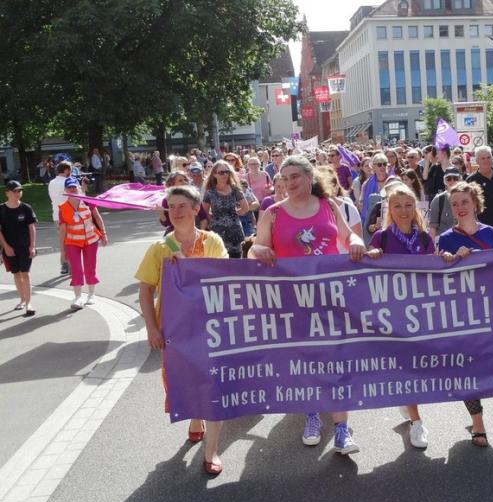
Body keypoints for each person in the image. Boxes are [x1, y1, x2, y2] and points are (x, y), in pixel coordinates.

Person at [249, 155, 365, 455]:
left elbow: (347, 233)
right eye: (284, 178)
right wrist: (260, 249)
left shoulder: (329, 205)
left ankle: (341, 430)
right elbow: (255, 249)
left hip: (330, 295)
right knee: (307, 360)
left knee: (336, 358)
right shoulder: (272, 213)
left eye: (294, 177)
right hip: (292, 299)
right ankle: (312, 415)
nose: (288, 183)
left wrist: (356, 241)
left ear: (308, 176)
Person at [136, 184, 228, 475]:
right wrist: (151, 328)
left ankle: (211, 451)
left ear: (195, 208)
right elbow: (145, 291)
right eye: (170, 206)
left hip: (211, 329)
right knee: (184, 384)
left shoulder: (212, 242)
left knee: (215, 386)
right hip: (175, 333)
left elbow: (223, 280)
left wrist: (188, 266)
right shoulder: (159, 249)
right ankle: (195, 418)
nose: (175, 212)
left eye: (181, 206)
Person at [365, 183, 435, 448]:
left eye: (408, 205)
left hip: (419, 311)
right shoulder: (380, 238)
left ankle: (409, 405)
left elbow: (434, 273)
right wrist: (372, 258)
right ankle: (417, 423)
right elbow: (368, 277)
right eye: (397, 206)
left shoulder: (425, 238)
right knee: (407, 366)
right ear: (389, 210)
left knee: (417, 366)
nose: (403, 211)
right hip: (392, 313)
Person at [438, 181, 493, 447]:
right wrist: (452, 260)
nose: (460, 208)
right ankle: (478, 424)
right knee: (467, 370)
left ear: (475, 203)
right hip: (461, 314)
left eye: (464, 202)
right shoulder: (446, 239)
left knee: (486, 368)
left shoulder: (491, 233)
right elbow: (440, 280)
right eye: (454, 204)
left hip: (489, 309)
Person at [58, 177, 107, 310]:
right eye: (70, 188)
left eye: (74, 187)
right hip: (72, 242)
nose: (72, 190)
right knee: (76, 269)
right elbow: (62, 230)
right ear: (65, 190)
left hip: (90, 240)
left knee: (90, 267)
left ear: (78, 188)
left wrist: (103, 233)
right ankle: (78, 297)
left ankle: (91, 294)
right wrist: (62, 251)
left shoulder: (87, 202)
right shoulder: (62, 208)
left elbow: (97, 217)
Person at [0, 181, 37, 316]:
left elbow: (32, 228)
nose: (18, 193)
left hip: (25, 247)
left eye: (19, 191)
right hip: (9, 248)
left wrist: (32, 246)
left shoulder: (26, 208)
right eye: (15, 191)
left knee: (25, 273)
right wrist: (6, 246)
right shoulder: (2, 209)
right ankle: (22, 300)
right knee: (16, 273)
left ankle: (29, 303)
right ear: (7, 193)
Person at [202, 160, 249, 258]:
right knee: (218, 262)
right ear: (214, 174)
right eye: (221, 172)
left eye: (227, 171)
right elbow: (204, 212)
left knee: (236, 261)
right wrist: (214, 219)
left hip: (235, 233)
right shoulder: (209, 192)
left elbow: (245, 208)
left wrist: (233, 214)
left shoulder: (235, 189)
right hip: (217, 233)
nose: (225, 174)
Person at [48, 161, 73, 274]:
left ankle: (64, 264)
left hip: (56, 214)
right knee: (72, 241)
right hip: (68, 214)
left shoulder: (51, 182)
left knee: (62, 241)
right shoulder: (68, 181)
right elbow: (78, 196)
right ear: (66, 170)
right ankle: (71, 264)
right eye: (70, 170)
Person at [427, 167, 460, 239]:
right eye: (448, 179)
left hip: (464, 241)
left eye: (455, 178)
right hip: (443, 243)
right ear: (444, 181)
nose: (452, 181)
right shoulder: (438, 199)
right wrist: (432, 249)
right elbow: (432, 228)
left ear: (461, 180)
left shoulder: (467, 198)